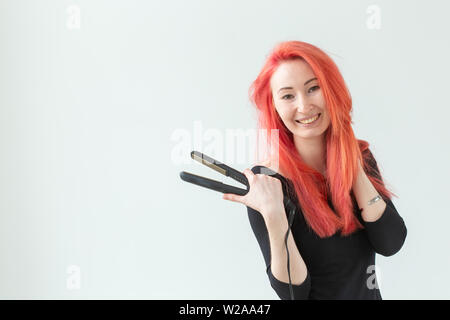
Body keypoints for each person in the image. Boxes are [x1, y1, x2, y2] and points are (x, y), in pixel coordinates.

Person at [222, 40, 407, 300]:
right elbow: (293, 293)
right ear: (273, 105)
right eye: (288, 96)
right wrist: (274, 215)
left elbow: (390, 243)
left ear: (332, 89)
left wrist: (353, 168)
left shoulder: (360, 156)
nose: (304, 106)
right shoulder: (266, 184)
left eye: (313, 88)